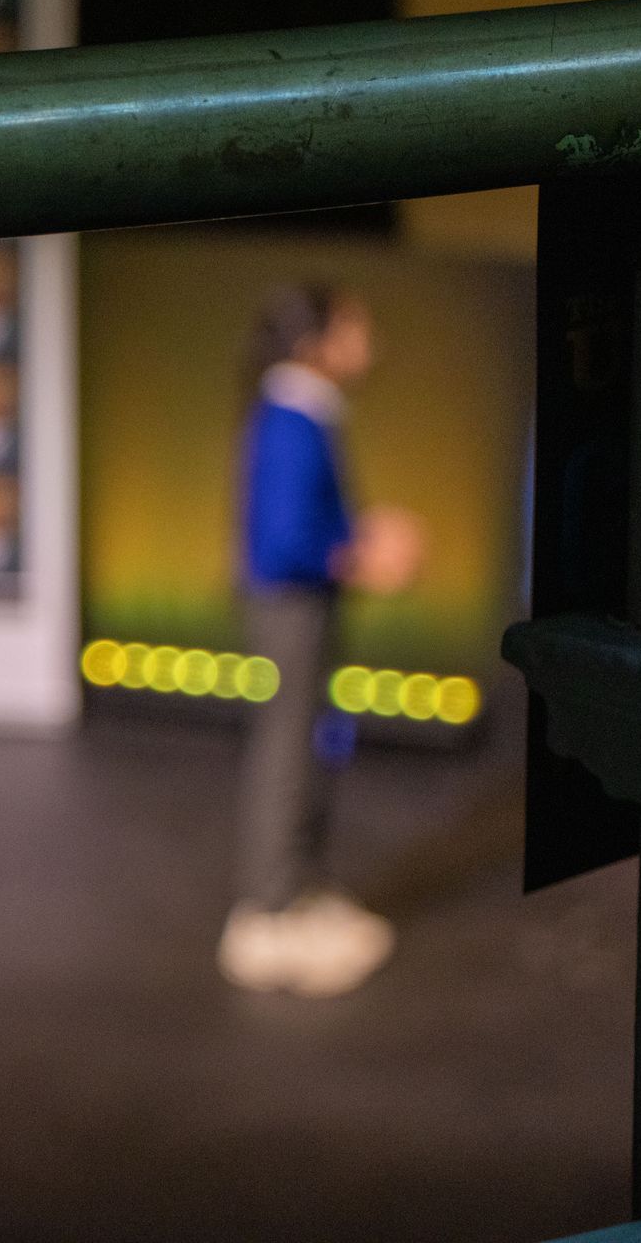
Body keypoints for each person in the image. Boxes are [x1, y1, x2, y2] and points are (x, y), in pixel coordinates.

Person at [220, 283, 422, 997]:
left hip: (306, 606)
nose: (367, 343)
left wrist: (354, 544)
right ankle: (271, 909)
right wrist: (361, 552)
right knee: (288, 749)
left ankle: (298, 889)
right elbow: (280, 540)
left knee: (310, 745)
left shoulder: (305, 413)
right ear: (317, 342)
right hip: (289, 608)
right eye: (354, 327)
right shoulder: (291, 417)